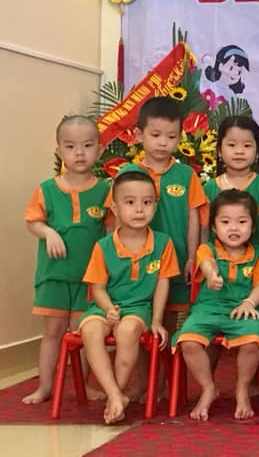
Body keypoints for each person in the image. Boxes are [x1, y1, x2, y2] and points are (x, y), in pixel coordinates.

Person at [78, 166, 179, 424]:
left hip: (138, 309)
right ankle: (115, 395)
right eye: (130, 202)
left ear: (155, 206)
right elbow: (98, 288)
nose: (139, 210)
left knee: (127, 331)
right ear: (115, 208)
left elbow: (162, 285)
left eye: (147, 202)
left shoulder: (163, 243)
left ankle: (117, 393)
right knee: (90, 330)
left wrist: (156, 321)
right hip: (104, 306)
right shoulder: (103, 246)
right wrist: (108, 309)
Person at [22, 116, 110, 405]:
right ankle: (45, 386)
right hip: (54, 276)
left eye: (87, 145)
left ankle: (83, 386)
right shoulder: (46, 189)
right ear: (59, 151)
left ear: (99, 150)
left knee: (83, 333)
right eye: (70, 146)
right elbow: (33, 221)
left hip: (89, 281)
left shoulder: (105, 190)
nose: (79, 153)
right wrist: (48, 232)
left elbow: (112, 233)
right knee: (52, 332)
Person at [172, 190, 259, 421]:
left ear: (253, 226)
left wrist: (249, 302)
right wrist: (211, 275)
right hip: (207, 309)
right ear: (214, 227)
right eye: (225, 222)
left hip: (242, 310)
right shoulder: (207, 249)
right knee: (188, 342)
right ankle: (208, 388)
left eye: (242, 222)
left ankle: (242, 389)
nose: (233, 228)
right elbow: (206, 263)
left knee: (252, 342)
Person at [124, 96, 207, 318]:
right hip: (136, 263)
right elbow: (115, 220)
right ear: (139, 135)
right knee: (137, 316)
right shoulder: (127, 174)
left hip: (177, 261)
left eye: (171, 137)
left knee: (169, 319)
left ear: (180, 138)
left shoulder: (186, 175)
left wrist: (192, 257)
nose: (163, 143)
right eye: (155, 135)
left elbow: (194, 218)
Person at [201, 116, 259, 264]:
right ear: (219, 151)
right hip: (218, 271)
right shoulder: (208, 189)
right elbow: (204, 230)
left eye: (247, 146)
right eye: (231, 145)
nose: (239, 151)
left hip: (257, 269)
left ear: (257, 151)